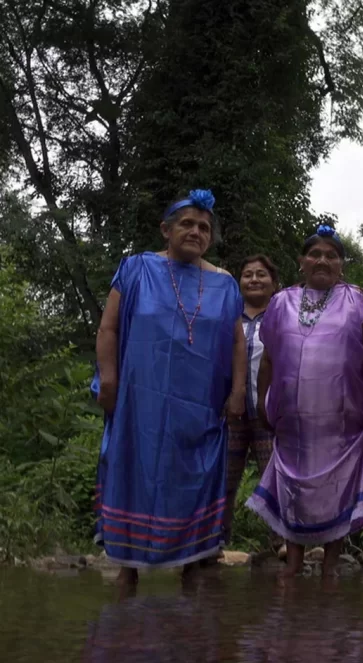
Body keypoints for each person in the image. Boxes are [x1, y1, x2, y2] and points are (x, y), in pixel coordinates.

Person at [92, 189, 245, 589]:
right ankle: (128, 569)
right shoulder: (135, 269)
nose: (196, 232)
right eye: (187, 224)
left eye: (204, 227)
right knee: (134, 468)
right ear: (166, 229)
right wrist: (108, 378)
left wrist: (239, 391)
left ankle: (191, 568)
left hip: (201, 403)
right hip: (140, 398)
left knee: (193, 474)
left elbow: (237, 341)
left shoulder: (225, 284)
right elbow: (108, 328)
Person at [246, 225, 363, 579]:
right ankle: (293, 562)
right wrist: (262, 400)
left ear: (341, 264)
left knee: (336, 487)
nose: (322, 260)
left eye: (331, 255)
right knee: (295, 486)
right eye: (315, 254)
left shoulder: (357, 299)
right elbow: (270, 358)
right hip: (293, 417)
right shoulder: (281, 301)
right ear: (301, 262)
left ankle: (331, 565)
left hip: (342, 418)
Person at [223, 254, 280, 547]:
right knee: (223, 480)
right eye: (247, 274)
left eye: (261, 274)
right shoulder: (227, 316)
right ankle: (213, 544)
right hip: (229, 413)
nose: (254, 280)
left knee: (275, 480)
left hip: (268, 414)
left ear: (274, 282)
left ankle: (281, 546)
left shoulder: (283, 316)